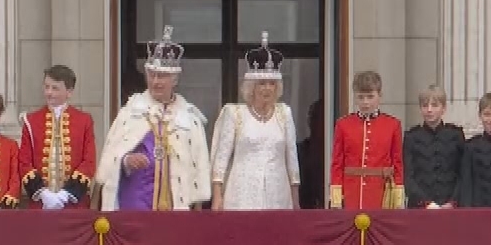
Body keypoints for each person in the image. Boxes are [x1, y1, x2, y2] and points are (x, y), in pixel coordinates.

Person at [99, 27, 212, 211]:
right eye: (152, 75)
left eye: (163, 76)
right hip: (135, 202)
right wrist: (127, 160)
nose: (156, 81)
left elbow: (197, 171)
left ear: (175, 80)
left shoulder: (189, 118)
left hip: (176, 205)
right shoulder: (130, 112)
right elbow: (111, 157)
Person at [209, 34, 300, 211]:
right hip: (241, 193)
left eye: (272, 84)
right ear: (252, 87)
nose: (267, 88)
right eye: (262, 83)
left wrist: (295, 199)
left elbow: (292, 158)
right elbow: (221, 159)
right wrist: (217, 196)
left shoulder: (284, 113)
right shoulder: (235, 113)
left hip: (277, 193)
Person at [19, 64, 97, 210]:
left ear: (69, 92)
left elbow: (89, 161)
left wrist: (66, 195)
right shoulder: (31, 121)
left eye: (55, 88)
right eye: (46, 87)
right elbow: (24, 162)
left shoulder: (84, 120)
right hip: (40, 204)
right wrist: (43, 194)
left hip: (73, 204)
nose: (49, 92)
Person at [329, 70, 405, 210]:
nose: (365, 102)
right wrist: (336, 198)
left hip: (381, 193)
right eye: (361, 97)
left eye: (370, 97)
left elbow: (397, 163)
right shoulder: (343, 124)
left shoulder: (393, 125)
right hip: (351, 192)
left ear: (380, 96)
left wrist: (398, 197)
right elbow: (337, 163)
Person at [404, 85, 463, 208]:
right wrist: (426, 203)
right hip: (420, 207)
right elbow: (408, 177)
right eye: (425, 105)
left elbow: (463, 173)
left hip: (451, 207)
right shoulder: (412, 137)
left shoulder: (455, 135)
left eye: (434, 105)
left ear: (443, 108)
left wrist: (453, 202)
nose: (429, 110)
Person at [296, 99, 327, 208]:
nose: (314, 123)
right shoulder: (301, 150)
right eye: (312, 119)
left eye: (318, 119)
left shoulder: (333, 151)